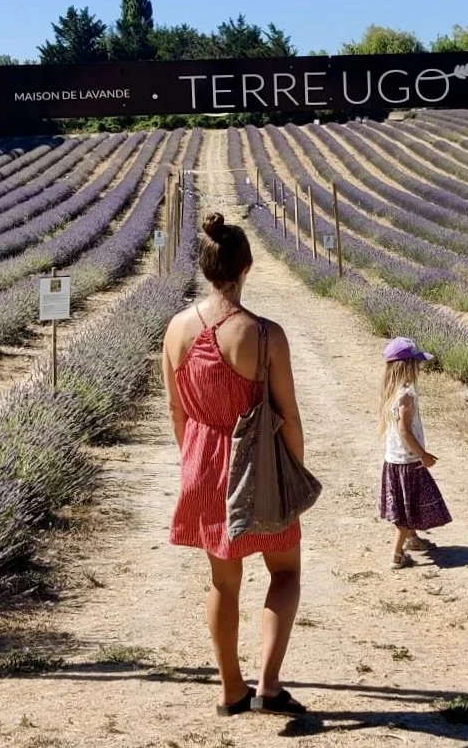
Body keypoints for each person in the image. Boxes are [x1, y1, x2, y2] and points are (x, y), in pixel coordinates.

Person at [164, 213, 308, 717]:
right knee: (285, 571)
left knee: (223, 582)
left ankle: (231, 690)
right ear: (246, 267)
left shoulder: (176, 330)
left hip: (203, 463)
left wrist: (195, 462)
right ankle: (269, 684)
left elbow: (176, 412)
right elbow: (289, 416)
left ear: (205, 268)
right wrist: (293, 472)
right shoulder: (266, 335)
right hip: (260, 465)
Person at [376, 337, 451, 569]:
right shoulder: (406, 395)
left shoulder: (392, 392)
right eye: (416, 363)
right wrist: (423, 455)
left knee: (407, 504)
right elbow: (404, 430)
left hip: (394, 461)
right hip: (408, 463)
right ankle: (397, 555)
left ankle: (412, 539)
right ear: (407, 366)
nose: (419, 368)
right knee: (405, 513)